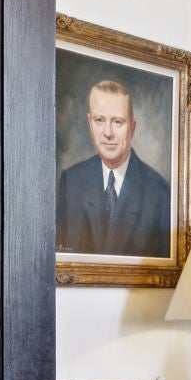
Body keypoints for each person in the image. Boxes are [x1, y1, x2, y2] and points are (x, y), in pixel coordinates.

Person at [57, 79, 171, 257]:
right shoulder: (71, 181)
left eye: (117, 122)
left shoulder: (159, 193)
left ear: (132, 128)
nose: (108, 133)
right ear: (90, 123)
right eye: (99, 120)